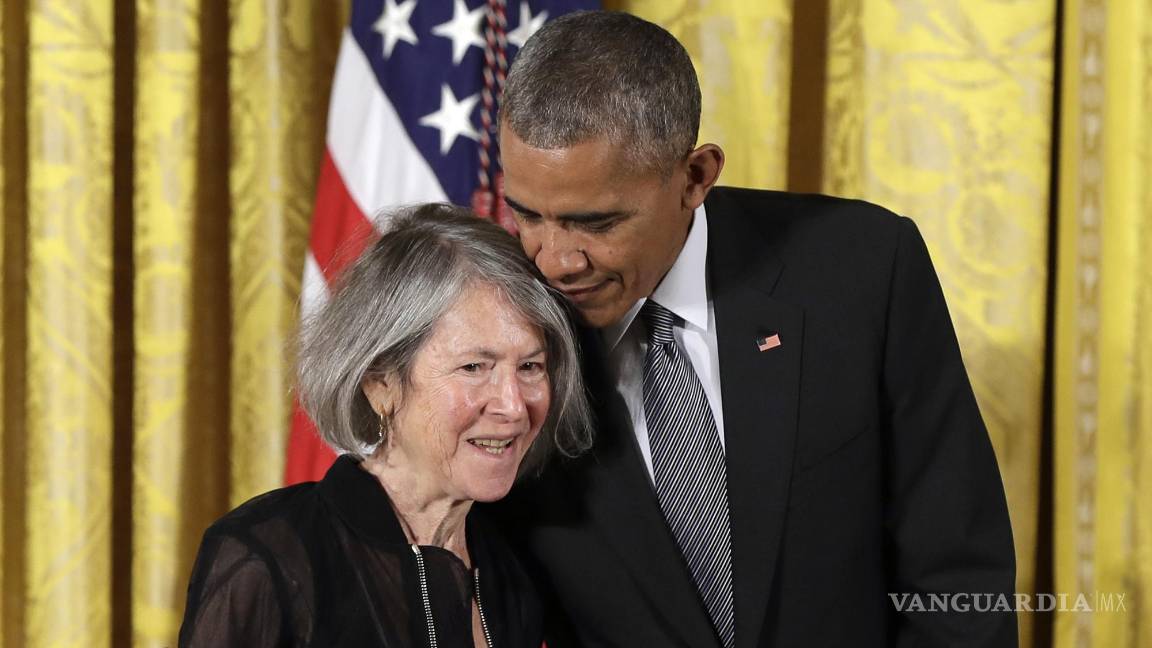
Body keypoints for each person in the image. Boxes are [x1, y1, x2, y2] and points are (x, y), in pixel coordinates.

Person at [493, 10, 1018, 647]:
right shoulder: (496, 326)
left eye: (596, 223)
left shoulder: (864, 269)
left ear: (695, 177)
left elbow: (958, 573)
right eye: (527, 215)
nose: (555, 262)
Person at [179, 203, 593, 647]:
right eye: (474, 367)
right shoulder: (268, 557)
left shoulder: (515, 569)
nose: (514, 406)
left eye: (530, 367)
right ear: (380, 384)